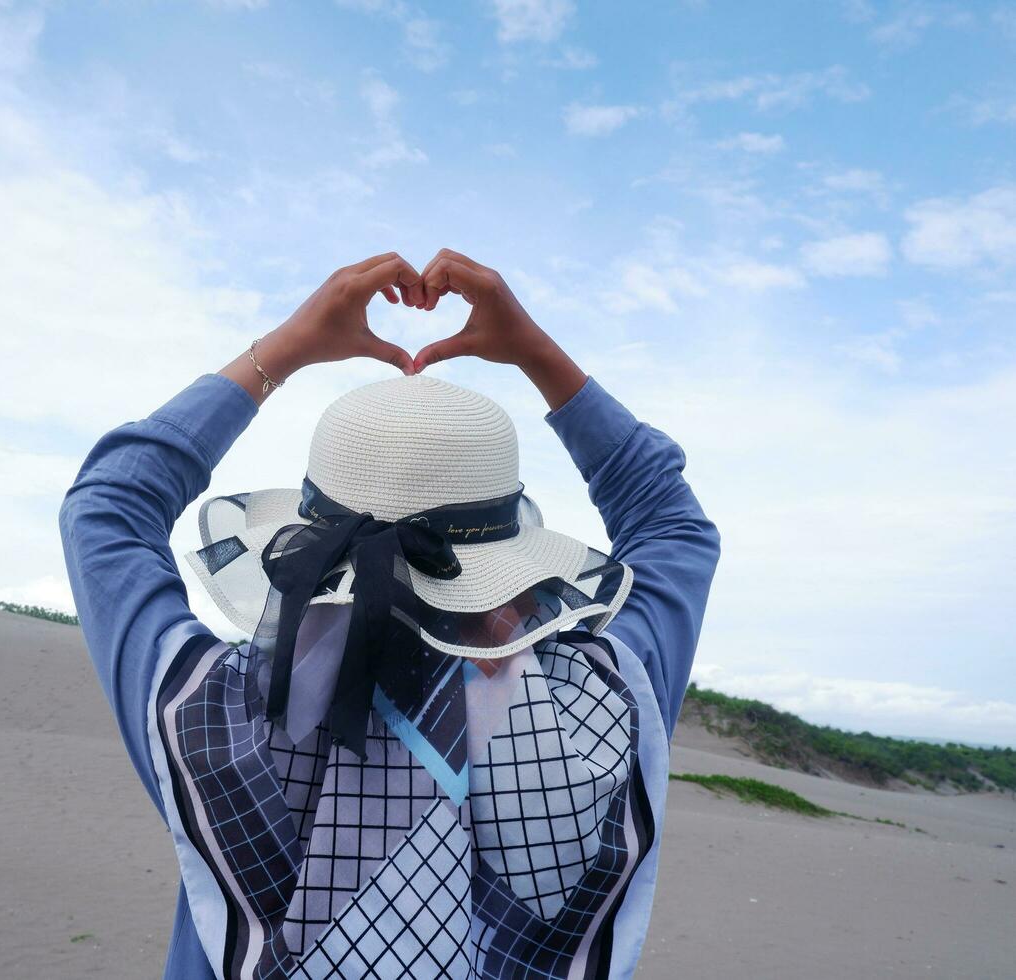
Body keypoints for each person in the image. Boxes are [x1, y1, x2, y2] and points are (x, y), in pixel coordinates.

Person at [59, 249, 721, 979]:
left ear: (304, 547)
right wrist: (535, 353)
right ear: (512, 558)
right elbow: (671, 527)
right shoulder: (604, 710)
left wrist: (283, 350)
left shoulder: (207, 712)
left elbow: (107, 507)